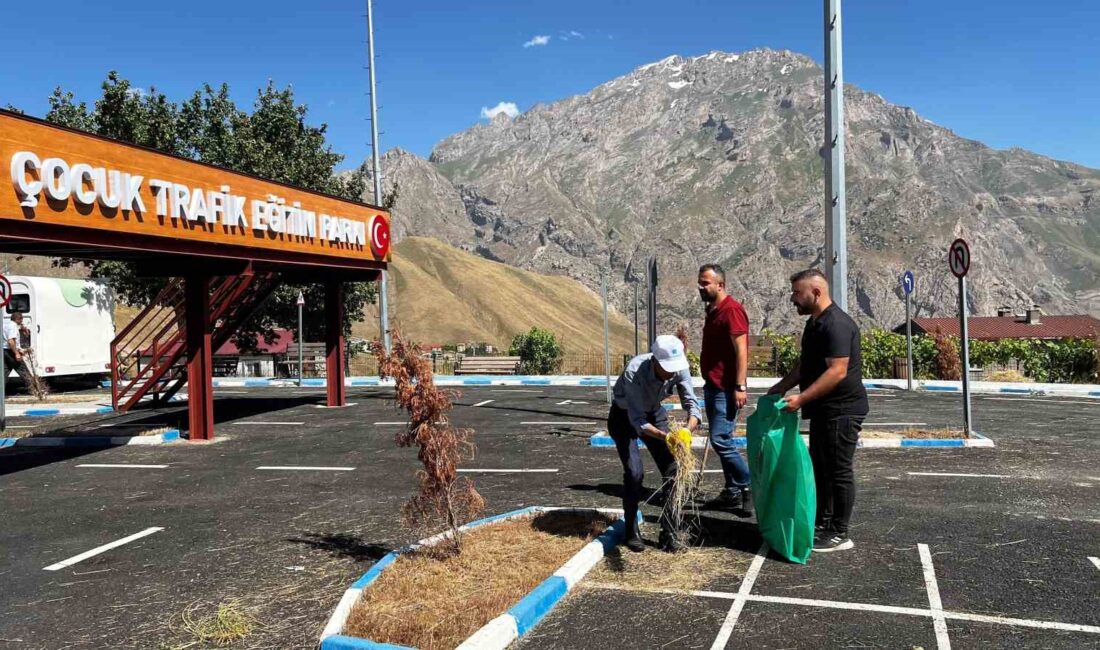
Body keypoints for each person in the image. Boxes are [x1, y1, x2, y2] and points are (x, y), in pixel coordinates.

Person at [767, 269, 868, 553]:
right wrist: (781, 386)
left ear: (816, 292)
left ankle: (839, 532)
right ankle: (822, 523)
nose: (792, 299)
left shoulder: (836, 324)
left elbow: (837, 371)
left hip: (843, 410)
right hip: (824, 409)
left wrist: (800, 399)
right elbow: (807, 366)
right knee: (820, 468)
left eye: (797, 293)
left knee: (838, 470)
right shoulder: (814, 324)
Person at [609, 334, 702, 553]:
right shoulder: (635, 371)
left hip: (654, 413)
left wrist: (687, 430)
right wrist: (666, 437)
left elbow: (692, 403)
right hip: (625, 417)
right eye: (667, 368)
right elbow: (637, 420)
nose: (672, 372)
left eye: (674, 368)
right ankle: (631, 529)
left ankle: (669, 531)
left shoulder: (679, 368)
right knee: (634, 473)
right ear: (655, 361)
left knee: (674, 468)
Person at [697, 264, 753, 512]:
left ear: (720, 285)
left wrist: (739, 385)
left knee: (720, 439)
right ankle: (732, 492)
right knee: (723, 438)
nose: (701, 287)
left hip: (726, 387)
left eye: (706, 282)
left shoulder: (732, 310)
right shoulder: (713, 310)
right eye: (700, 282)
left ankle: (748, 483)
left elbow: (742, 350)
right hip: (712, 385)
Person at [3, 312, 35, 389]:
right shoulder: (13, 327)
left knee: (4, 372)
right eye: (21, 320)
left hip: (4, 351)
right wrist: (16, 353)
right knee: (23, 371)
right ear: (18, 319)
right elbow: (11, 341)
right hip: (11, 352)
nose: (22, 322)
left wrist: (23, 328)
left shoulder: (5, 325)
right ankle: (35, 390)